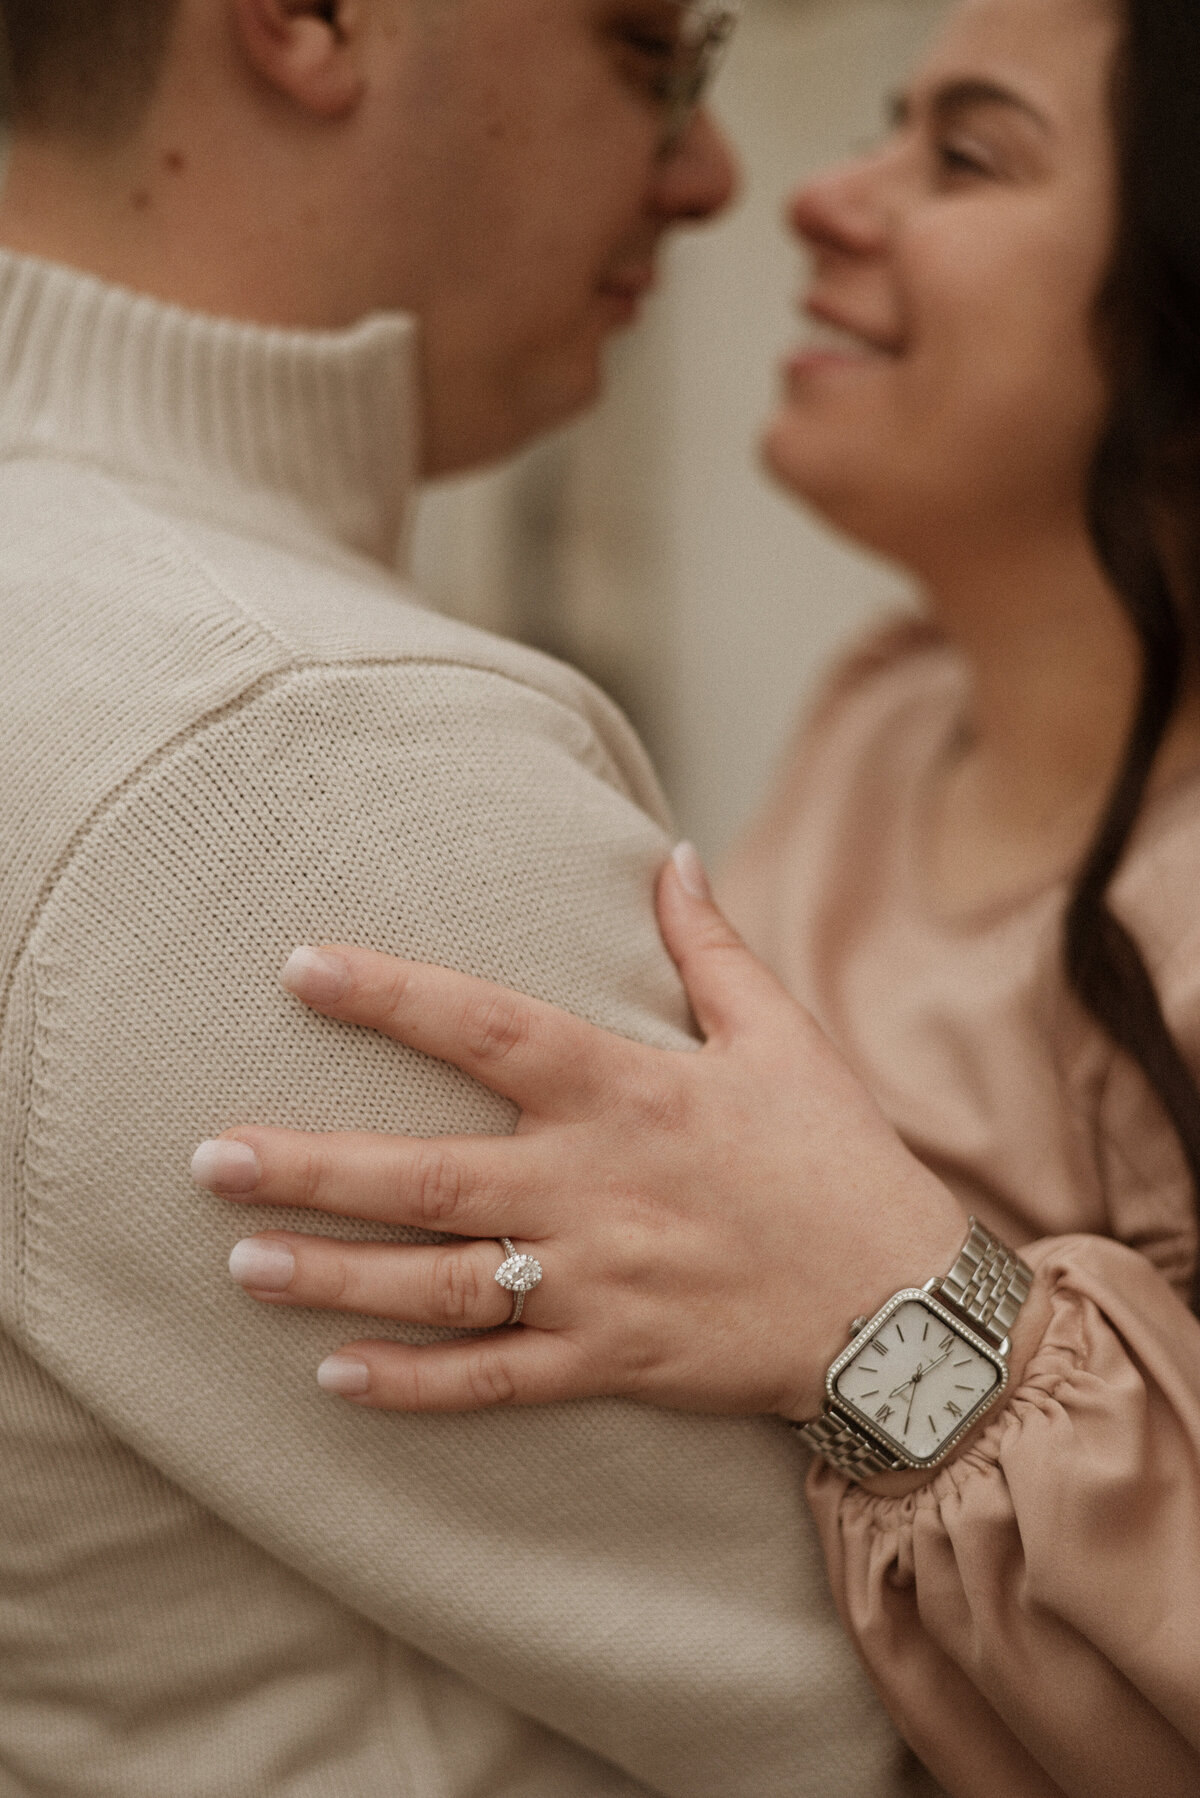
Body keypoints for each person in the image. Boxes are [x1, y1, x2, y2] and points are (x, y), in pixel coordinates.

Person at [194, 0, 1200, 1793]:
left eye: (965, 155)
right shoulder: (879, 723)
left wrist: (881, 1294)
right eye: (882, 127)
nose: (811, 198)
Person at [0, 3, 941, 1796]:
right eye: (648, 47)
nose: (714, 171)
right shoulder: (283, 741)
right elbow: (939, 1707)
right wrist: (936, 1325)